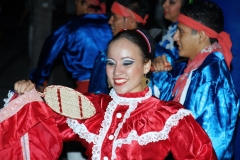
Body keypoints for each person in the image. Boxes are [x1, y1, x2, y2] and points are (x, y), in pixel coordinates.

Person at [0, 29, 217, 159]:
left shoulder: (170, 117)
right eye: (111, 63)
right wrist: (27, 95)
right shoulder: (92, 106)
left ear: (146, 66)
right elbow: (39, 117)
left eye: (127, 63)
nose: (117, 72)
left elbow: (201, 154)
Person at [151, 1, 239, 159]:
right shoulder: (195, 68)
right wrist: (161, 75)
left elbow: (213, 145)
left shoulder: (211, 77)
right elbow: (171, 109)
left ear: (201, 36)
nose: (175, 37)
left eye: (181, 31)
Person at [88, 0, 172, 94]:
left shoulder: (164, 58)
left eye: (115, 17)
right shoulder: (105, 55)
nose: (110, 21)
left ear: (130, 20)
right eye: (111, 63)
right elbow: (96, 99)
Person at [29, 0, 112, 93]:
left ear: (85, 4)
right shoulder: (113, 24)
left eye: (77, 1)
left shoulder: (71, 28)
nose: (75, 3)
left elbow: (49, 52)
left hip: (85, 90)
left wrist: (40, 79)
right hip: (112, 89)